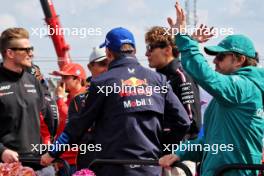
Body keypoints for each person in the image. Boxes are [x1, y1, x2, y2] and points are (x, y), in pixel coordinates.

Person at [41, 27, 191, 176]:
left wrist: (52, 153)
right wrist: (160, 148)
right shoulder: (157, 80)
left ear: (109, 53)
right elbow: (183, 122)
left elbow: (78, 127)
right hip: (150, 167)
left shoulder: (101, 82)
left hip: (113, 168)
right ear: (134, 50)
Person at [159, 1, 264, 176]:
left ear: (239, 60)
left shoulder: (243, 87)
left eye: (221, 56)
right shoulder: (235, 92)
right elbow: (213, 143)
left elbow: (205, 75)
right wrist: (180, 153)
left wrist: (184, 38)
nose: (214, 61)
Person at [145, 26, 202, 143]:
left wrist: (172, 149)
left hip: (180, 155)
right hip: (160, 154)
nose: (146, 54)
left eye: (150, 48)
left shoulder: (181, 76)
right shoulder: (155, 79)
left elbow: (191, 123)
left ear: (167, 49)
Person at [0, 28, 45, 169]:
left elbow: (44, 119)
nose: (31, 53)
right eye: (26, 50)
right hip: (6, 166)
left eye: (31, 48)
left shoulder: (34, 81)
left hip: (38, 164)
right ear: (10, 53)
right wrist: (2, 151)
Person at [76, 46, 109, 170]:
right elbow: (73, 130)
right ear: (90, 67)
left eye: (108, 63)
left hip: (114, 159)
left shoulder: (120, 91)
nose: (106, 68)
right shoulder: (79, 98)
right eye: (101, 64)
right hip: (89, 159)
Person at [51, 63, 87, 175]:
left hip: (77, 161)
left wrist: (60, 99)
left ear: (78, 79)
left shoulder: (85, 97)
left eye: (66, 77)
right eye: (62, 77)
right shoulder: (66, 101)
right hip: (62, 160)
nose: (62, 81)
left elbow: (73, 123)